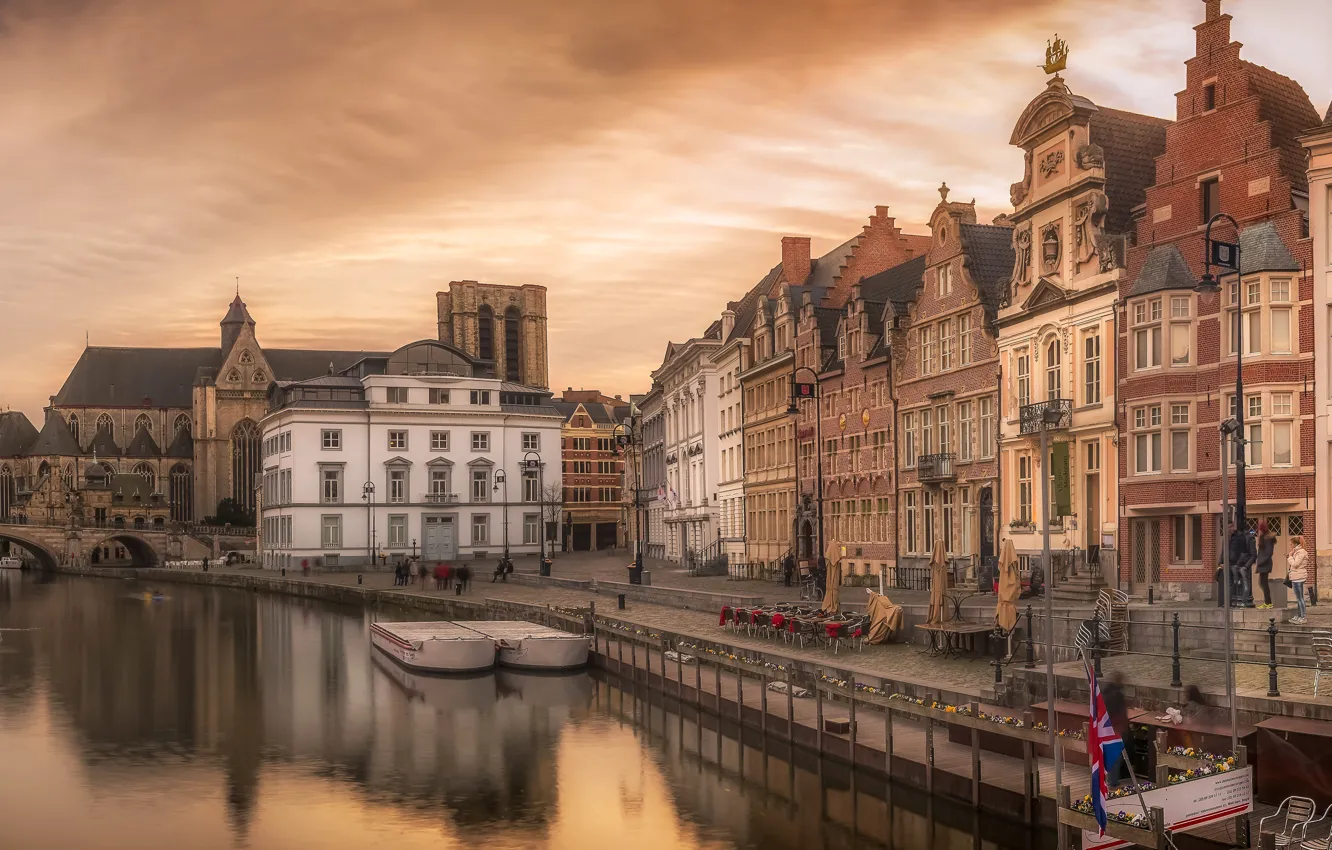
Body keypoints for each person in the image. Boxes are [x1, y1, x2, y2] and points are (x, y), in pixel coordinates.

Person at [1101, 672, 1130, 786]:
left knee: (1110, 753)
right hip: (1115, 727)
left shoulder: (1106, 692)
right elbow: (1119, 712)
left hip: (1107, 727)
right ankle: (1112, 782)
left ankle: (1109, 779)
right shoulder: (1117, 694)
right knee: (1117, 755)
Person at [1288, 535, 1310, 624]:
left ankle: (1303, 617)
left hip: (1298, 577)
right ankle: (1299, 615)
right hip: (1296, 576)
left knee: (1300, 598)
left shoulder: (1301, 552)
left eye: (1291, 543)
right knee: (1298, 598)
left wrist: (1289, 556)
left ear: (1295, 544)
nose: (1290, 545)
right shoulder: (1297, 552)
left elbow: (1295, 564)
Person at [1255, 521, 1276, 608]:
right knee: (1262, 583)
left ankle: (1268, 602)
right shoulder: (1264, 537)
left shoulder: (1267, 539)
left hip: (1264, 564)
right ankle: (1267, 602)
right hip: (1263, 563)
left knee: (1263, 583)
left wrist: (1260, 562)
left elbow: (1268, 553)